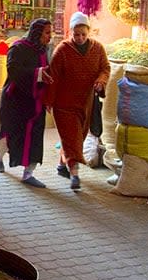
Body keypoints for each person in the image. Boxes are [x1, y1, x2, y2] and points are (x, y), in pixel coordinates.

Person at [46, 12, 110, 190]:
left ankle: (61, 165)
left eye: (83, 34)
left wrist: (101, 81)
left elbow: (105, 68)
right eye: (76, 34)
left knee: (75, 138)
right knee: (72, 138)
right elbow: (53, 76)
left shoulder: (97, 49)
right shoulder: (63, 50)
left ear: (88, 32)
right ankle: (74, 174)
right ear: (70, 33)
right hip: (64, 104)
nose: (80, 38)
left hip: (85, 103)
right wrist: (49, 100)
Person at [0, 18, 53, 188]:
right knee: (11, 134)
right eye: (47, 33)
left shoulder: (43, 51)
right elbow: (13, 70)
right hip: (15, 102)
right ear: (37, 32)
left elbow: (47, 73)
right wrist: (38, 73)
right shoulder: (18, 47)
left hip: (34, 103)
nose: (50, 36)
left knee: (35, 138)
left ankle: (28, 174)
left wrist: (48, 96)